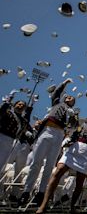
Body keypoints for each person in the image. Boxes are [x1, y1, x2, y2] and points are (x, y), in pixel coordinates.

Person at [19, 78, 77, 206]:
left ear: (74, 102)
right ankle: (26, 191)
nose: (68, 98)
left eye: (71, 98)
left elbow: (73, 127)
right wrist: (64, 84)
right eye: (67, 97)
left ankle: (41, 193)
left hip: (60, 134)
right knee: (36, 162)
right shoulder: (57, 104)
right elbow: (56, 93)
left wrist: (73, 118)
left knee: (50, 165)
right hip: (48, 130)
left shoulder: (73, 112)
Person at [36, 114, 87, 213]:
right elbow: (75, 135)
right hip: (74, 149)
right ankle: (43, 205)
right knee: (58, 171)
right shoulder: (84, 125)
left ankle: (72, 206)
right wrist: (69, 141)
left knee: (79, 182)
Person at [0, 90, 31, 175]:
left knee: (2, 162)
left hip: (10, 140)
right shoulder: (8, 112)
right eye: (19, 104)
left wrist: (31, 105)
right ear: (14, 105)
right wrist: (8, 100)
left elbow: (26, 121)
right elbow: (1, 111)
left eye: (23, 106)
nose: (20, 106)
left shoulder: (23, 120)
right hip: (1, 135)